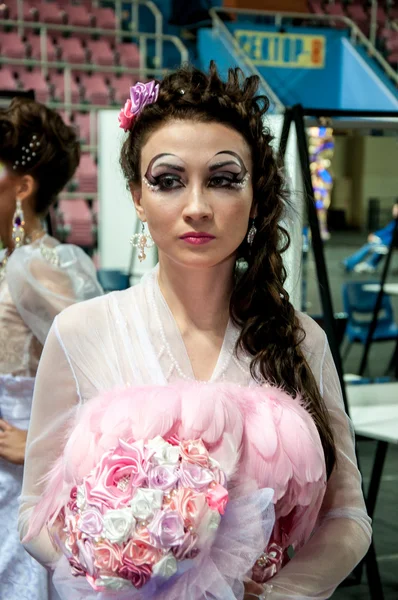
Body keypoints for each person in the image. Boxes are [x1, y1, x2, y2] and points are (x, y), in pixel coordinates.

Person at [19, 65, 371, 599]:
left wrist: (276, 594)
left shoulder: (299, 339)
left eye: (224, 179)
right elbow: (33, 512)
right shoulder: (82, 331)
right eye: (168, 180)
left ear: (255, 195)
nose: (197, 207)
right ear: (137, 196)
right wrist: (111, 569)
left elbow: (347, 515)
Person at [0, 98, 103, 600]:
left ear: (22, 187)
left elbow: (104, 371)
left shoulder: (35, 265)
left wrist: (43, 443)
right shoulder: (10, 258)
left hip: (17, 472)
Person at [343, 202, 398, 273]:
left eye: (396, 209)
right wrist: (375, 235)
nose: (393, 211)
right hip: (387, 242)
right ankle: (370, 264)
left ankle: (350, 263)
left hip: (390, 244)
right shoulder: (394, 222)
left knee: (369, 247)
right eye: (394, 209)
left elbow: (392, 236)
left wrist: (379, 239)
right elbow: (386, 231)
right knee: (374, 246)